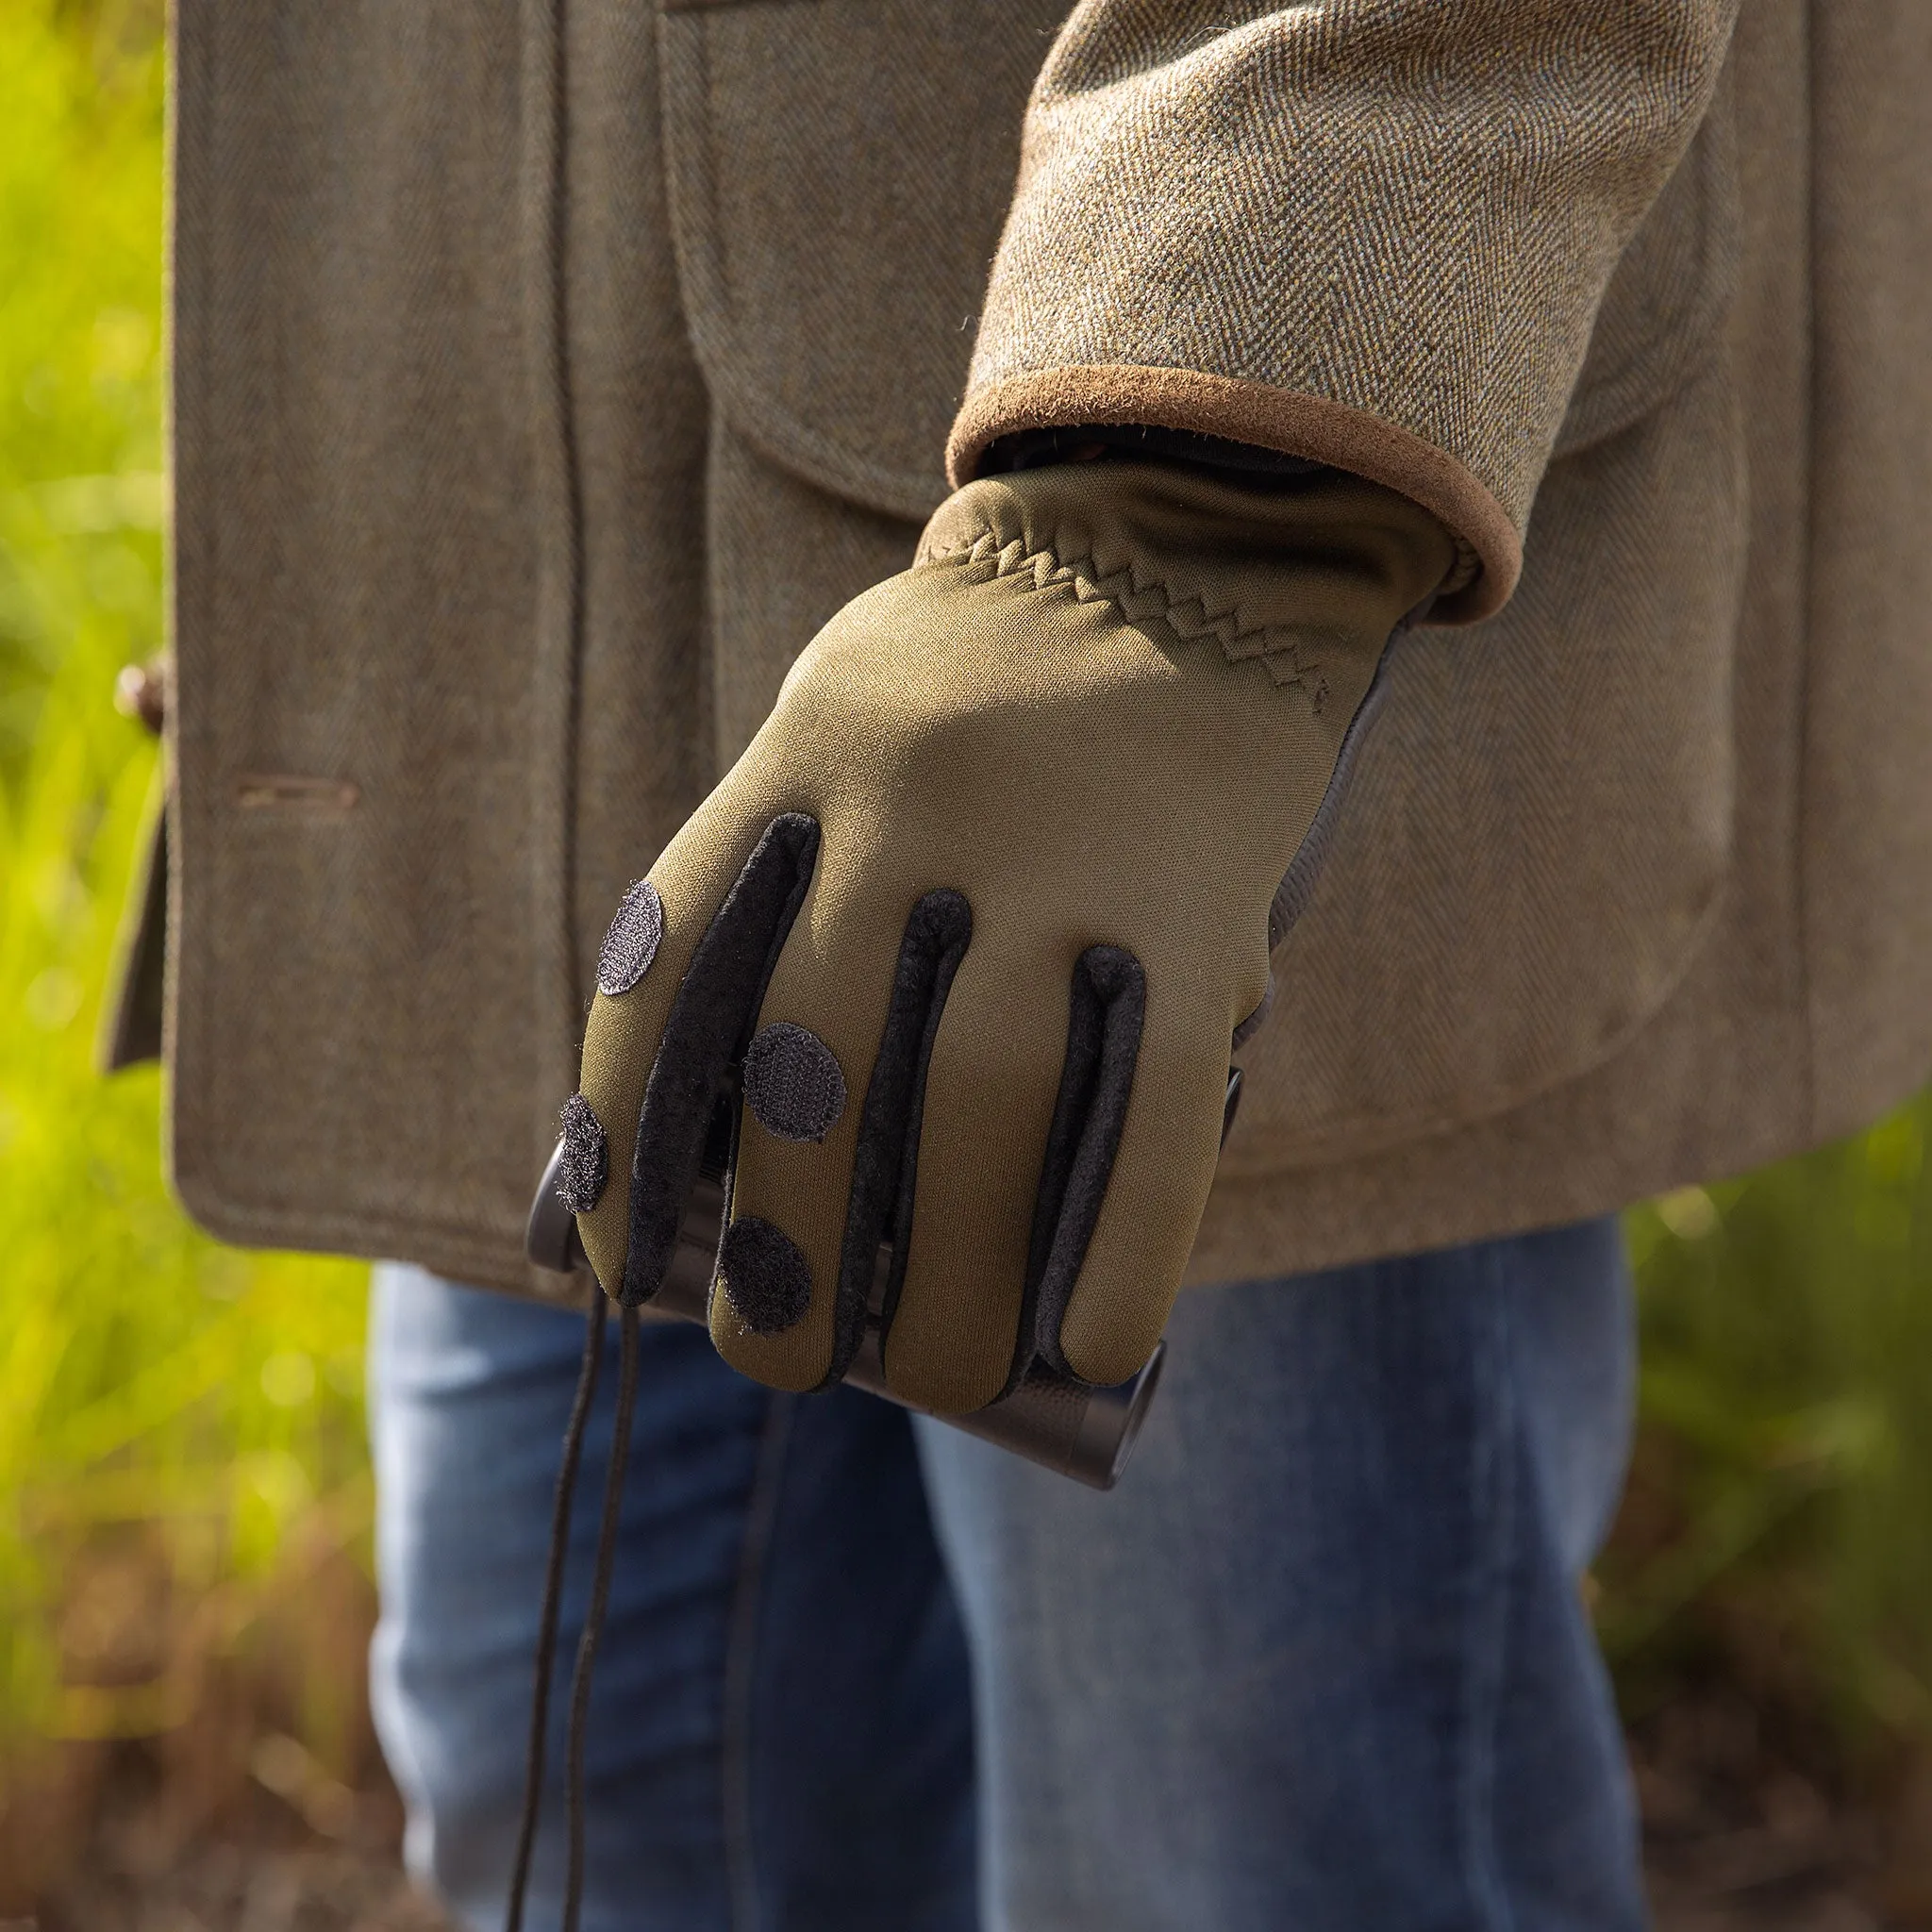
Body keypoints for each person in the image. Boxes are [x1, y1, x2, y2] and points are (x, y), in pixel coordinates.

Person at [122, 3, 1932, 1926]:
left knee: (1245, 1847)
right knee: (585, 1805)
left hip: (1207, 675)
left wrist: (1193, 522)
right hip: (538, 576)